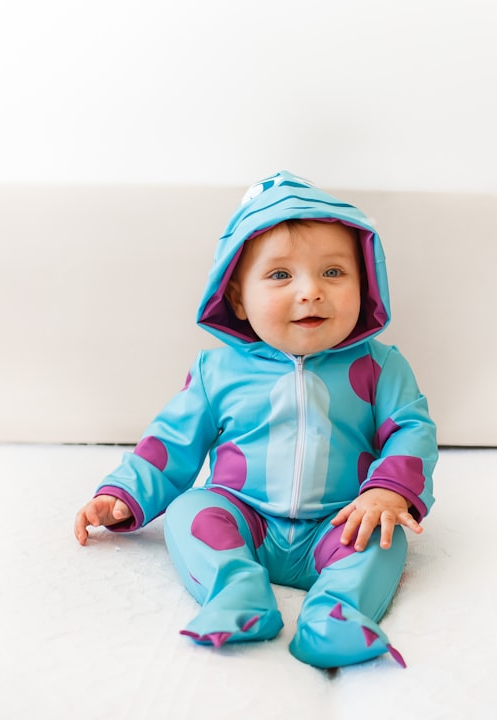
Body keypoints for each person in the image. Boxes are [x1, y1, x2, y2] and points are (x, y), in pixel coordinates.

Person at [74, 171, 437, 669]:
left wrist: (388, 493)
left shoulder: (381, 366)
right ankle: (238, 594)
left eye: (333, 273)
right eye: (281, 275)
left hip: (340, 520)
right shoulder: (216, 371)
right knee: (190, 510)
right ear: (239, 298)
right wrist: (121, 493)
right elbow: (169, 443)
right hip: (244, 518)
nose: (310, 291)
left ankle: (338, 613)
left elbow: (412, 432)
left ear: (365, 283)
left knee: (381, 532)